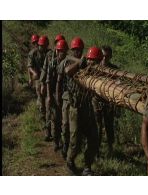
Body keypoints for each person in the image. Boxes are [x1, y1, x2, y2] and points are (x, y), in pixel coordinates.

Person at [56, 46, 101, 176]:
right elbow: (67, 71)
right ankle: (70, 162)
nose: (95, 64)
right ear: (88, 59)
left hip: (88, 108)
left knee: (93, 138)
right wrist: (79, 62)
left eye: (97, 61)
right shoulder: (78, 67)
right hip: (75, 109)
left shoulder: (96, 72)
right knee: (75, 141)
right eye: (93, 60)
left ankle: (87, 166)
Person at [92, 45, 119, 157]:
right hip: (96, 100)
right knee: (97, 126)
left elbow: (118, 86)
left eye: (107, 56)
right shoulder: (94, 68)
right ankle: (96, 150)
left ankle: (110, 149)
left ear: (111, 56)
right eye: (103, 56)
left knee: (109, 126)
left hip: (108, 102)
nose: (104, 59)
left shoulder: (115, 69)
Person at [60, 37, 84, 159]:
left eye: (79, 49)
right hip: (67, 98)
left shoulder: (85, 63)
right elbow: (66, 71)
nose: (77, 52)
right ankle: (65, 145)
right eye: (75, 49)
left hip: (78, 101)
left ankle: (72, 152)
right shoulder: (68, 61)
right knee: (65, 125)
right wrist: (78, 63)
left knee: (75, 130)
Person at [40, 34, 65, 141]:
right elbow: (45, 70)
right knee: (48, 109)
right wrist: (42, 84)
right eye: (57, 43)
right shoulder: (49, 55)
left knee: (57, 114)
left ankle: (57, 135)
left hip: (59, 89)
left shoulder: (65, 57)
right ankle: (47, 132)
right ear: (55, 44)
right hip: (49, 85)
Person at [46, 39, 68, 151]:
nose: (62, 53)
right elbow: (48, 81)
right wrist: (49, 96)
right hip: (54, 95)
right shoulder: (52, 63)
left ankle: (64, 143)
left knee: (65, 122)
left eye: (64, 51)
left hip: (66, 96)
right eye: (60, 51)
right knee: (55, 119)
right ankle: (56, 141)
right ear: (57, 51)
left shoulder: (68, 63)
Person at [27, 35, 50, 118]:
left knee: (48, 95)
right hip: (38, 77)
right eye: (34, 43)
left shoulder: (48, 52)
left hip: (48, 77)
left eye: (37, 42)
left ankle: (47, 112)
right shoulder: (33, 53)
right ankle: (42, 113)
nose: (36, 44)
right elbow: (29, 66)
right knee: (40, 94)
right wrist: (32, 76)